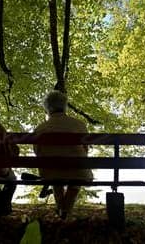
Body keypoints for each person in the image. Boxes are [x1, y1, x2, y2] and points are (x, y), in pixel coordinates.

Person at [33, 90, 93, 219]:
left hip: (50, 172)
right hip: (78, 171)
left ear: (47, 108)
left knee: (55, 175)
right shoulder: (79, 125)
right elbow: (85, 150)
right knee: (78, 174)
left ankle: (62, 211)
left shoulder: (40, 128)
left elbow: (38, 152)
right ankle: (65, 212)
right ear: (65, 105)